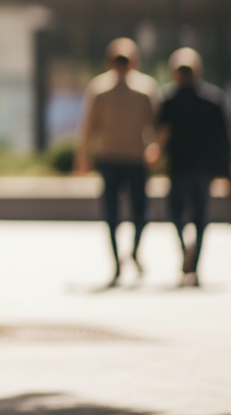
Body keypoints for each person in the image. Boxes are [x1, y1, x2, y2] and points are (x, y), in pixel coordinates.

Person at [75, 37, 162, 286]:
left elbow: (155, 125)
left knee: (132, 212)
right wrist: (83, 156)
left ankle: (129, 253)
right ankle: (120, 260)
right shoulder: (104, 89)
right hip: (116, 158)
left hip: (128, 158)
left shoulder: (143, 88)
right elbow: (89, 125)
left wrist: (155, 148)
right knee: (120, 213)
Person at [151, 48, 231, 287]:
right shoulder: (213, 99)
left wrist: (155, 155)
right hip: (203, 167)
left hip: (179, 165)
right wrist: (229, 165)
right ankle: (194, 261)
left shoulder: (169, 99)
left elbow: (162, 134)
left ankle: (186, 249)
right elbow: (224, 137)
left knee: (176, 213)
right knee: (200, 215)